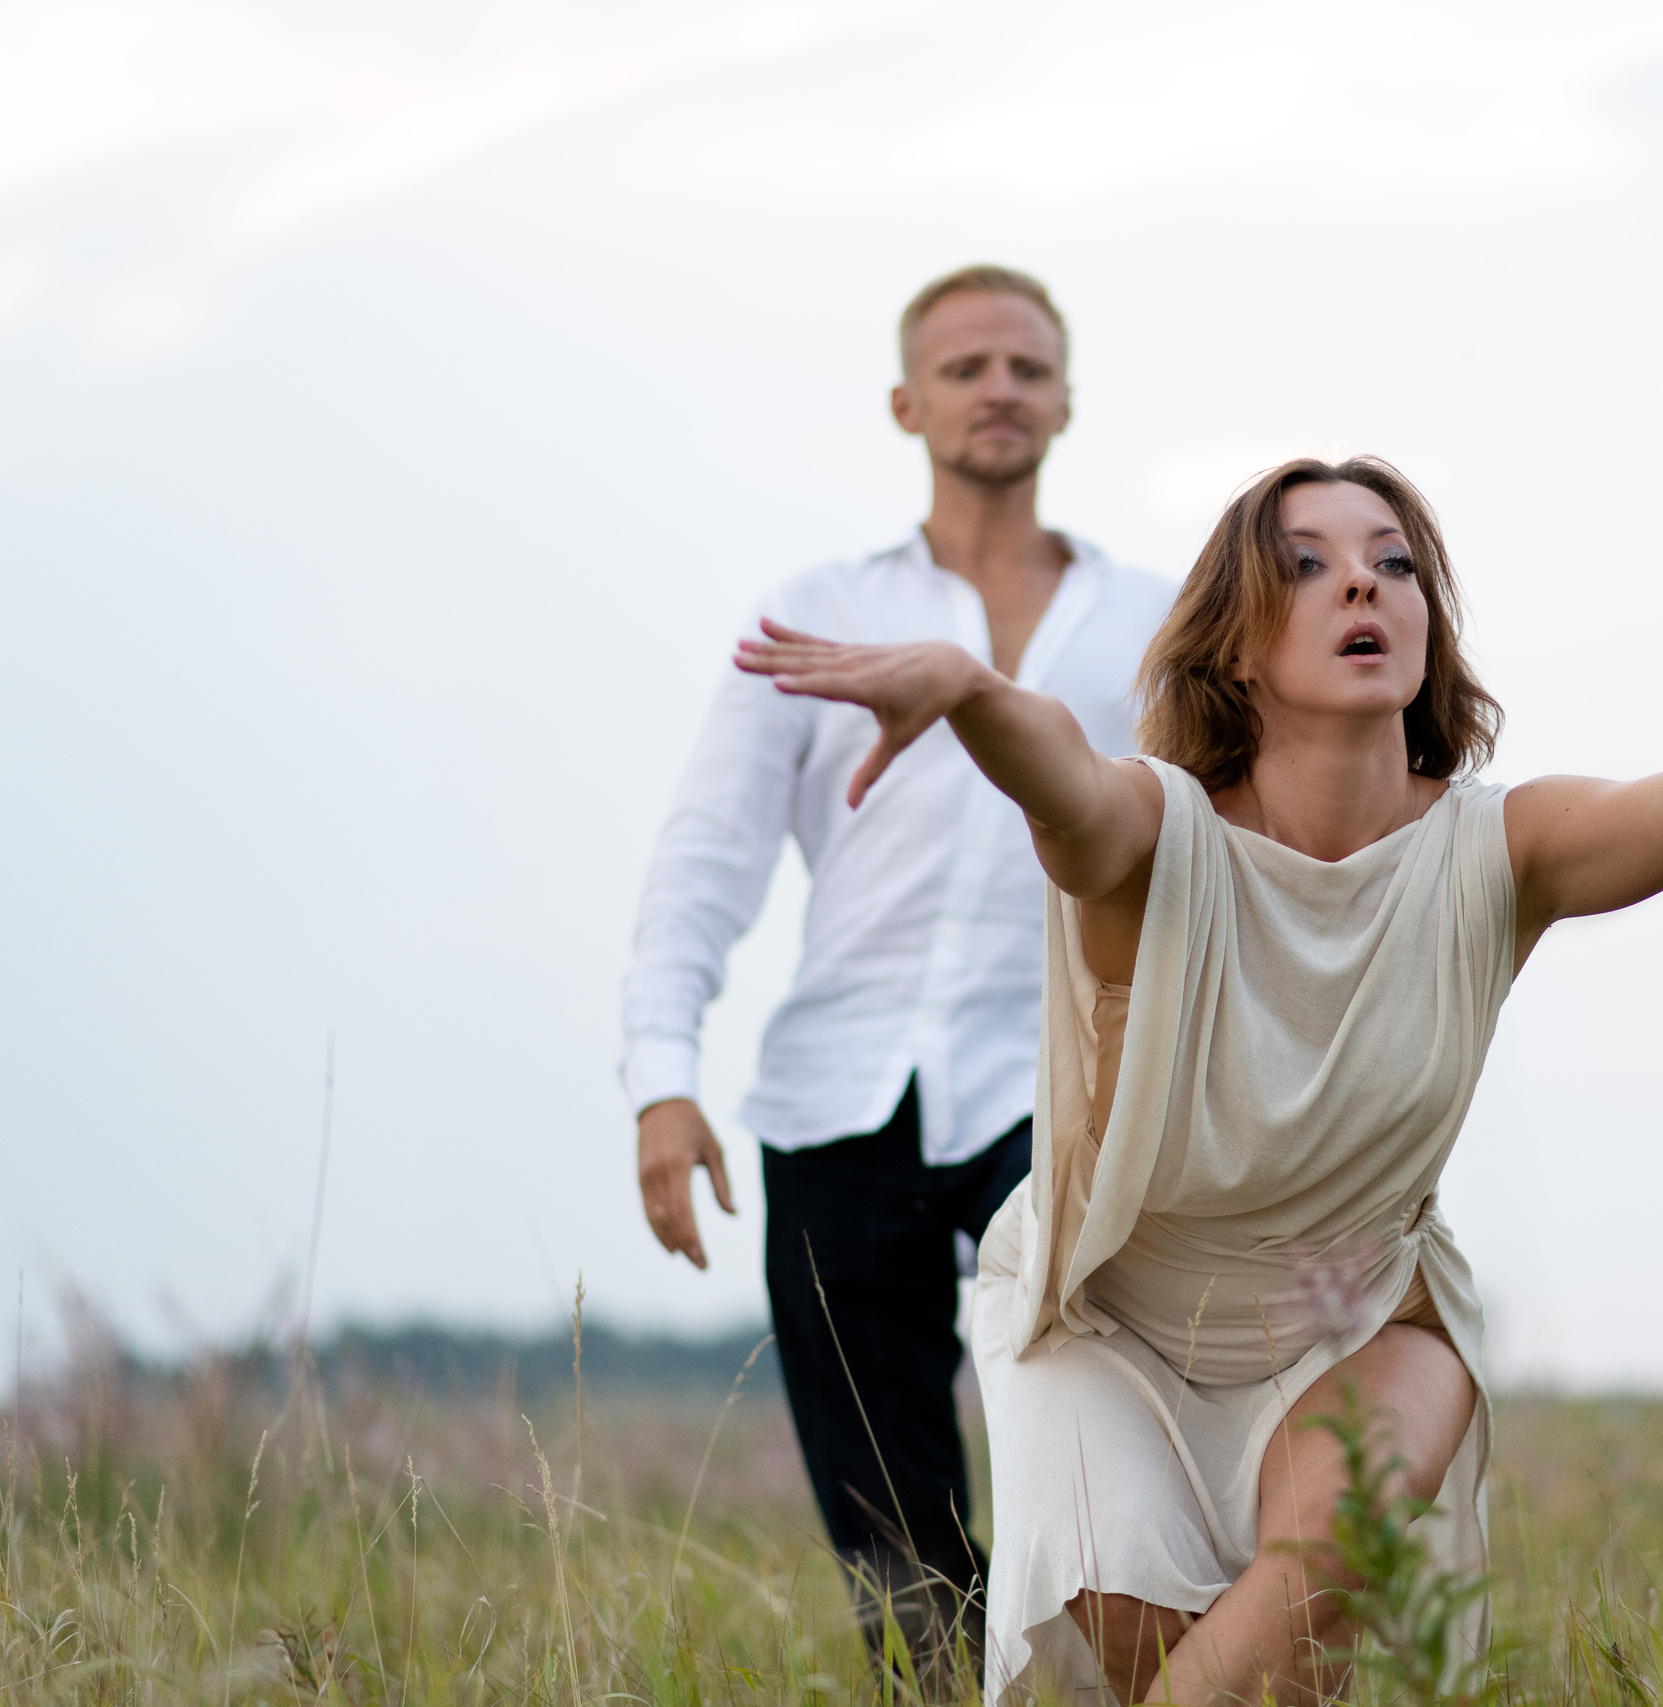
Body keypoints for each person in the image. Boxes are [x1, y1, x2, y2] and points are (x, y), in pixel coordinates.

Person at [733, 455, 1663, 1704]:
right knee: (1158, 1672)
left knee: (1310, 1596)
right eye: (1313, 564)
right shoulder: (1157, 842)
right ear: (1236, 639)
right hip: (1115, 1316)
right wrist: (972, 692)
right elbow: (1060, 775)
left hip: (1362, 1318)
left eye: (1393, 564)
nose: (1361, 587)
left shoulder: (1499, 855)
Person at [619, 264, 1174, 1646]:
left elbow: (1216, 848)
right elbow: (708, 855)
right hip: (834, 1100)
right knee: (894, 1540)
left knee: (1100, 1448)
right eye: (970, 366)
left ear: (1066, 403)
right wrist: (659, 1077)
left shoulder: (1155, 622)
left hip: (1068, 1086)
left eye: (1028, 369)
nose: (1000, 389)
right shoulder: (817, 612)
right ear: (907, 401)